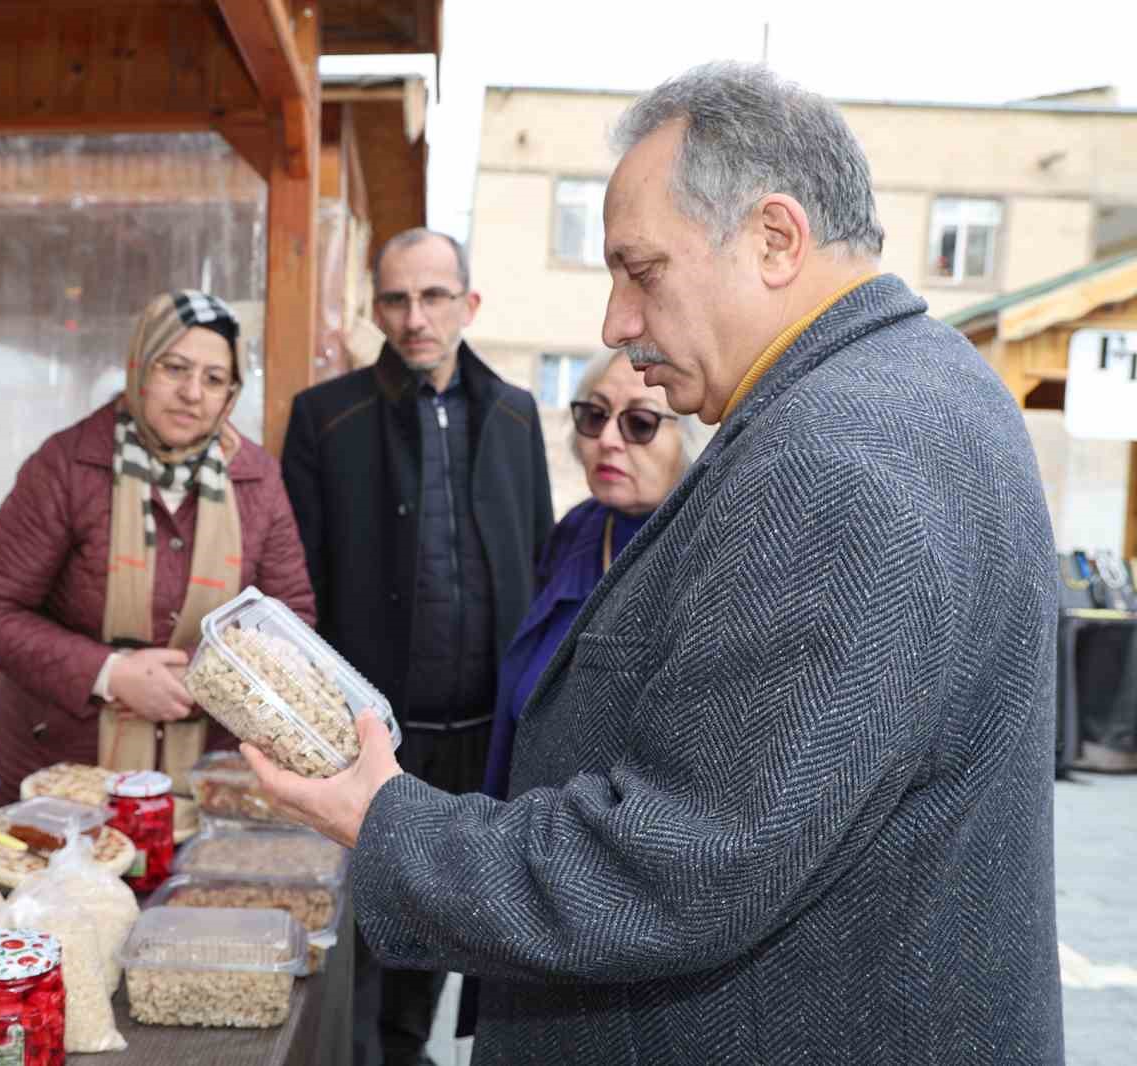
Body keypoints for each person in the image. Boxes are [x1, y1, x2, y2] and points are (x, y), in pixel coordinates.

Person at [249, 62, 1065, 1064]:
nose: (614, 324)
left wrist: (385, 819)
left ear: (774, 240)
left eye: (641, 270)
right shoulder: (924, 384)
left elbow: (675, 865)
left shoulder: (834, 454)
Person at [280, 228, 554, 1066]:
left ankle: (405, 1053)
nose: (415, 317)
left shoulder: (514, 414)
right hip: (368, 736)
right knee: (356, 931)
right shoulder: (326, 418)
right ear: (375, 308)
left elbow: (538, 561)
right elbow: (298, 593)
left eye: (435, 296)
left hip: (480, 732)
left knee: (445, 925)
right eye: (397, 298)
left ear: (469, 304)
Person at [0, 290, 315, 802]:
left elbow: (290, 617)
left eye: (213, 379)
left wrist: (204, 677)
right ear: (139, 368)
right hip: (66, 776)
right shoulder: (66, 465)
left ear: (230, 395)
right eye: (174, 368)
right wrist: (112, 674)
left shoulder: (258, 479)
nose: (192, 392)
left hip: (207, 778)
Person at [482, 350, 712, 801]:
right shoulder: (580, 529)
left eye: (640, 423)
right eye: (594, 414)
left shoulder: (705, 556)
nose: (608, 438)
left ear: (690, 439)